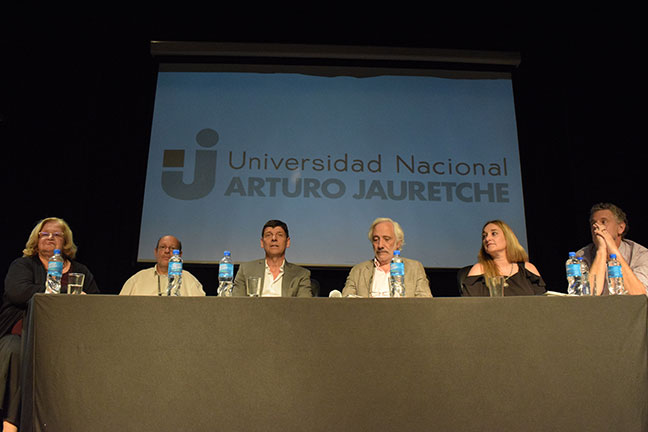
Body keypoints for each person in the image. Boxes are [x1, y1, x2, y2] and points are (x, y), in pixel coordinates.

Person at [0, 217, 100, 432]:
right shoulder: (23, 265)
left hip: (66, 337)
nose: (50, 237)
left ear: (66, 242)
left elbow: (94, 302)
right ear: (36, 239)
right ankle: (10, 423)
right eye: (45, 234)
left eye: (56, 234)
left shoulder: (80, 270)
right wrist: (66, 293)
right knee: (16, 351)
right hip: (22, 333)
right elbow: (18, 293)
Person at [342, 217, 432, 297]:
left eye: (387, 239)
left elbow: (425, 305)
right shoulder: (358, 271)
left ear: (398, 243)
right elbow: (345, 305)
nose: (380, 245)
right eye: (376, 239)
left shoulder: (414, 268)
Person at [576, 203, 648, 295]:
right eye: (593, 223)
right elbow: (585, 297)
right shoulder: (581, 256)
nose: (596, 227)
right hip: (596, 308)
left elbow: (638, 295)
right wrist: (601, 251)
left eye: (603, 222)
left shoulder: (641, 254)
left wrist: (613, 251)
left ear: (621, 228)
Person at [461, 220, 546, 296]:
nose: (487, 239)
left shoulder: (528, 269)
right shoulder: (479, 269)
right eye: (484, 236)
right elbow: (470, 307)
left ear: (507, 238)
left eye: (494, 233)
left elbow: (544, 304)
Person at [232, 220, 312, 297]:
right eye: (268, 235)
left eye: (279, 235)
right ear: (262, 242)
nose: (274, 238)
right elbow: (237, 305)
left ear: (287, 242)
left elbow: (304, 308)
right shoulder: (246, 270)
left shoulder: (301, 275)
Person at [120, 235, 205, 296]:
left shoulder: (190, 281)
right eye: (163, 247)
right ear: (156, 252)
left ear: (180, 255)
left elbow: (201, 310)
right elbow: (120, 307)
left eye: (172, 248)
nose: (167, 251)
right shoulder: (137, 280)